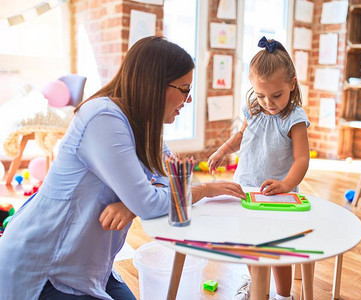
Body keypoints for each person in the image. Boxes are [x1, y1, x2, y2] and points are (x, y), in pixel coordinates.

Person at [0, 36, 245, 300]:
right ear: (155, 85)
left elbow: (168, 180)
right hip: (47, 267)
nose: (188, 99)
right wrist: (203, 190)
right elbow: (152, 202)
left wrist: (132, 204)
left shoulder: (148, 129)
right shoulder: (103, 118)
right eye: (184, 89)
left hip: (92, 268)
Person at [208, 36, 310, 300]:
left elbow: (301, 159)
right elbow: (240, 137)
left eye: (276, 95)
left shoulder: (295, 117)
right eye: (261, 94)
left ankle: (283, 296)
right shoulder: (253, 109)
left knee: (278, 248)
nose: (269, 102)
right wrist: (221, 151)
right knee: (251, 244)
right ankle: (258, 289)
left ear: (292, 84)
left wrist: (287, 184)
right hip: (247, 189)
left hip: (278, 195)